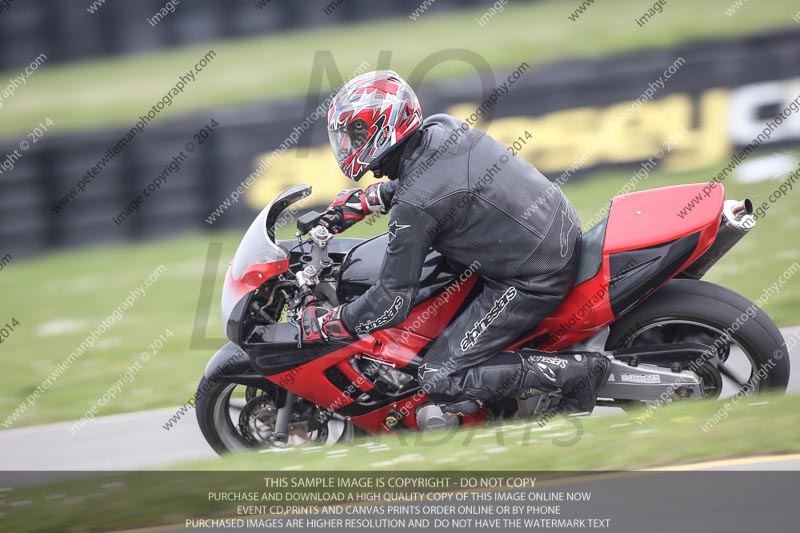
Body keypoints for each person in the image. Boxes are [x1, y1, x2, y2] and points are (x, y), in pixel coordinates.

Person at [300, 70, 609, 416]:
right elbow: (436, 182)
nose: (347, 146)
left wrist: (332, 322)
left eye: (354, 134)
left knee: (439, 375)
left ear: (381, 128)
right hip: (554, 228)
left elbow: (392, 301)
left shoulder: (415, 207)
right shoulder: (440, 129)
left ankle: (579, 373)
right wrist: (366, 200)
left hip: (534, 276)